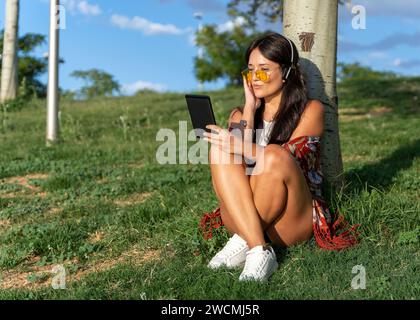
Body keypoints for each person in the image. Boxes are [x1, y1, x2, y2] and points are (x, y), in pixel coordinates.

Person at [201, 32, 359, 282]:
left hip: (290, 218)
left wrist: (239, 145)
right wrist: (250, 108)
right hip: (243, 212)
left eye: (263, 70)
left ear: (286, 73)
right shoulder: (239, 115)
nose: (255, 78)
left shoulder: (311, 110)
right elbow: (231, 171)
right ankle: (257, 248)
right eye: (250, 71)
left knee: (273, 154)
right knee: (220, 148)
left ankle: (247, 242)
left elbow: (287, 160)